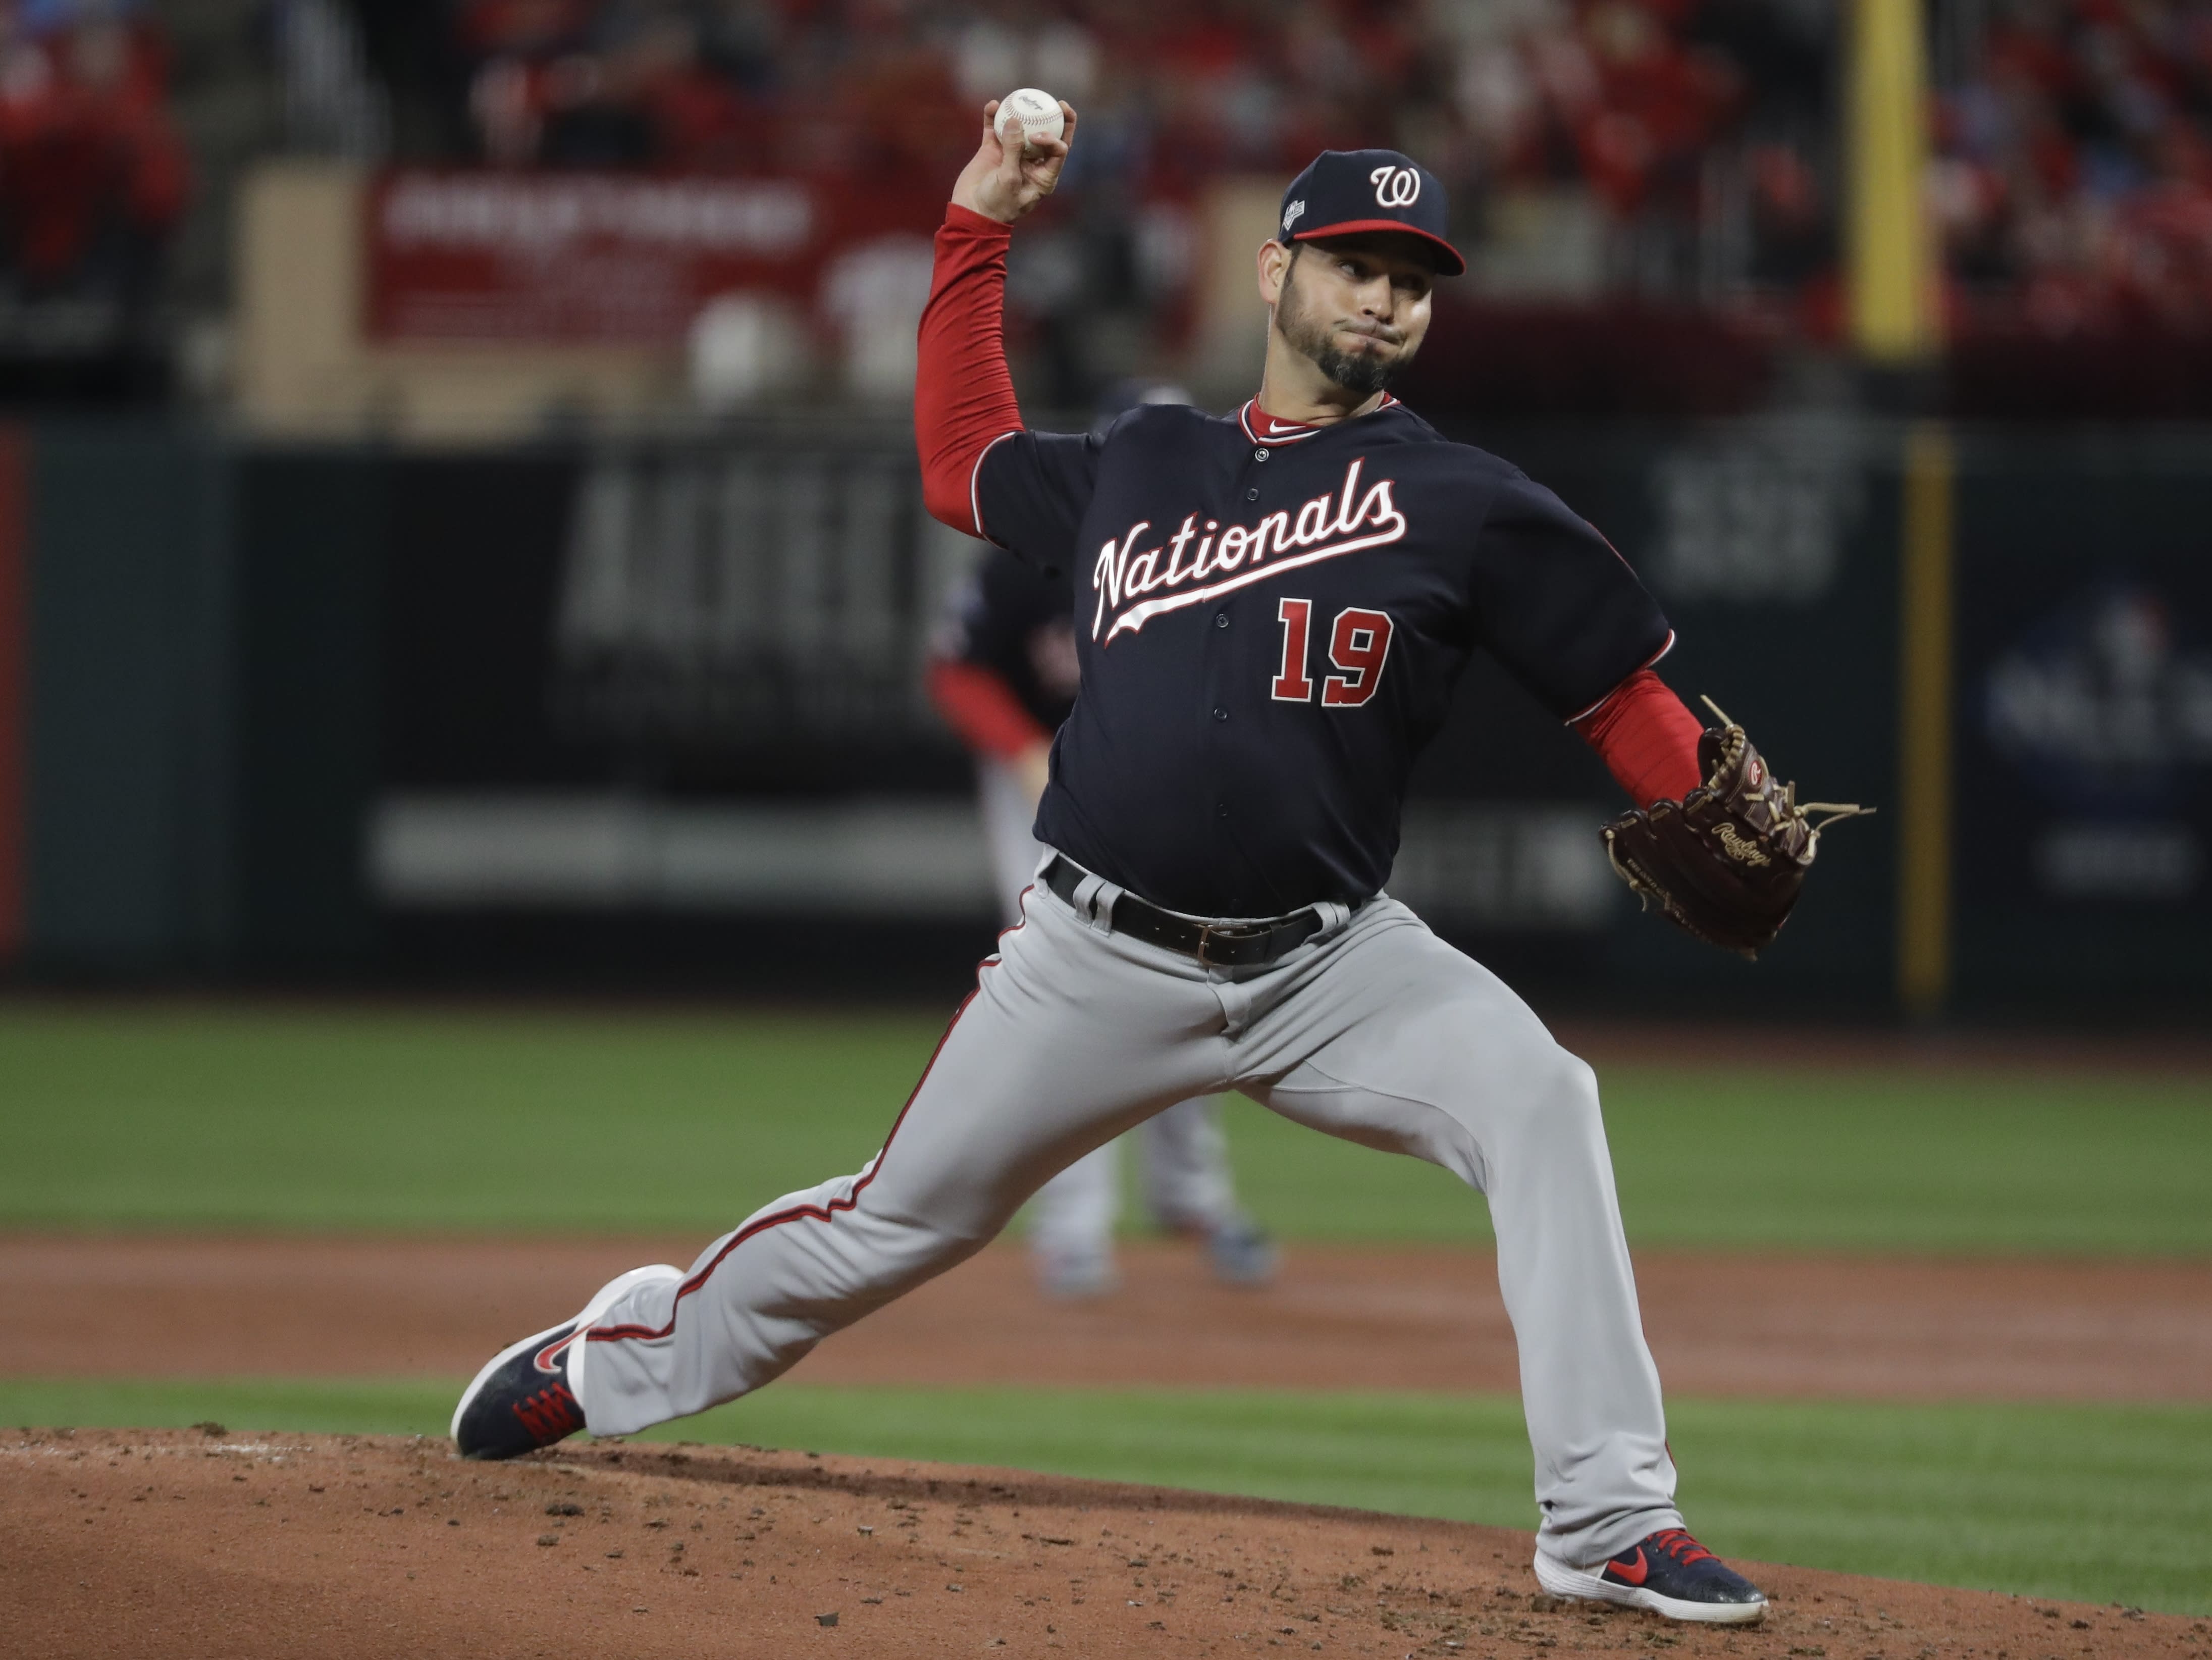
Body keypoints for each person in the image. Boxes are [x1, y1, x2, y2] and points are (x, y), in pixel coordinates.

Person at [454, 103, 1783, 1626]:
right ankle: (611, 1359)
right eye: (1354, 263)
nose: (1383, 297)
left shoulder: (1467, 504)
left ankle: (1606, 1518)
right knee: (894, 1223)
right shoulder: (1145, 460)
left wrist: (1698, 788)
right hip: (1094, 957)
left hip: (1328, 962)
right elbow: (962, 463)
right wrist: (975, 225)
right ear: (1276, 273)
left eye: (1412, 278)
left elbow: (1615, 691)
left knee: (1545, 1101)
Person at [926, 428, 1277, 1298]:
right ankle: (1073, 1225)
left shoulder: (1225, 554)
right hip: (1039, 780)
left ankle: (1191, 1196)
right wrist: (1019, 748)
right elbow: (958, 670)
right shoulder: (1035, 551)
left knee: (1190, 975)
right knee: (1072, 985)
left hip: (1154, 782)